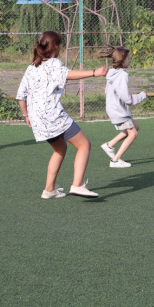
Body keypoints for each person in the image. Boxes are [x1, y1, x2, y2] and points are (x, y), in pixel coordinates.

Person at [16, 31, 107, 199]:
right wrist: (95, 72)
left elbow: (21, 96)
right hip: (52, 116)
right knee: (84, 145)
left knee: (60, 149)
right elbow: (69, 75)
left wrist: (26, 115)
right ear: (56, 46)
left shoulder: (31, 67)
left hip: (38, 119)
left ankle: (49, 190)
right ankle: (77, 185)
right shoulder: (54, 63)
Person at [98, 46, 146, 168]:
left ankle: (109, 145)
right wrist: (141, 96)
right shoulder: (122, 75)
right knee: (133, 134)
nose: (129, 60)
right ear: (123, 59)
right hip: (118, 110)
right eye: (128, 58)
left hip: (113, 108)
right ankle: (115, 160)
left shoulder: (112, 73)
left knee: (135, 126)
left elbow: (109, 91)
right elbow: (127, 99)